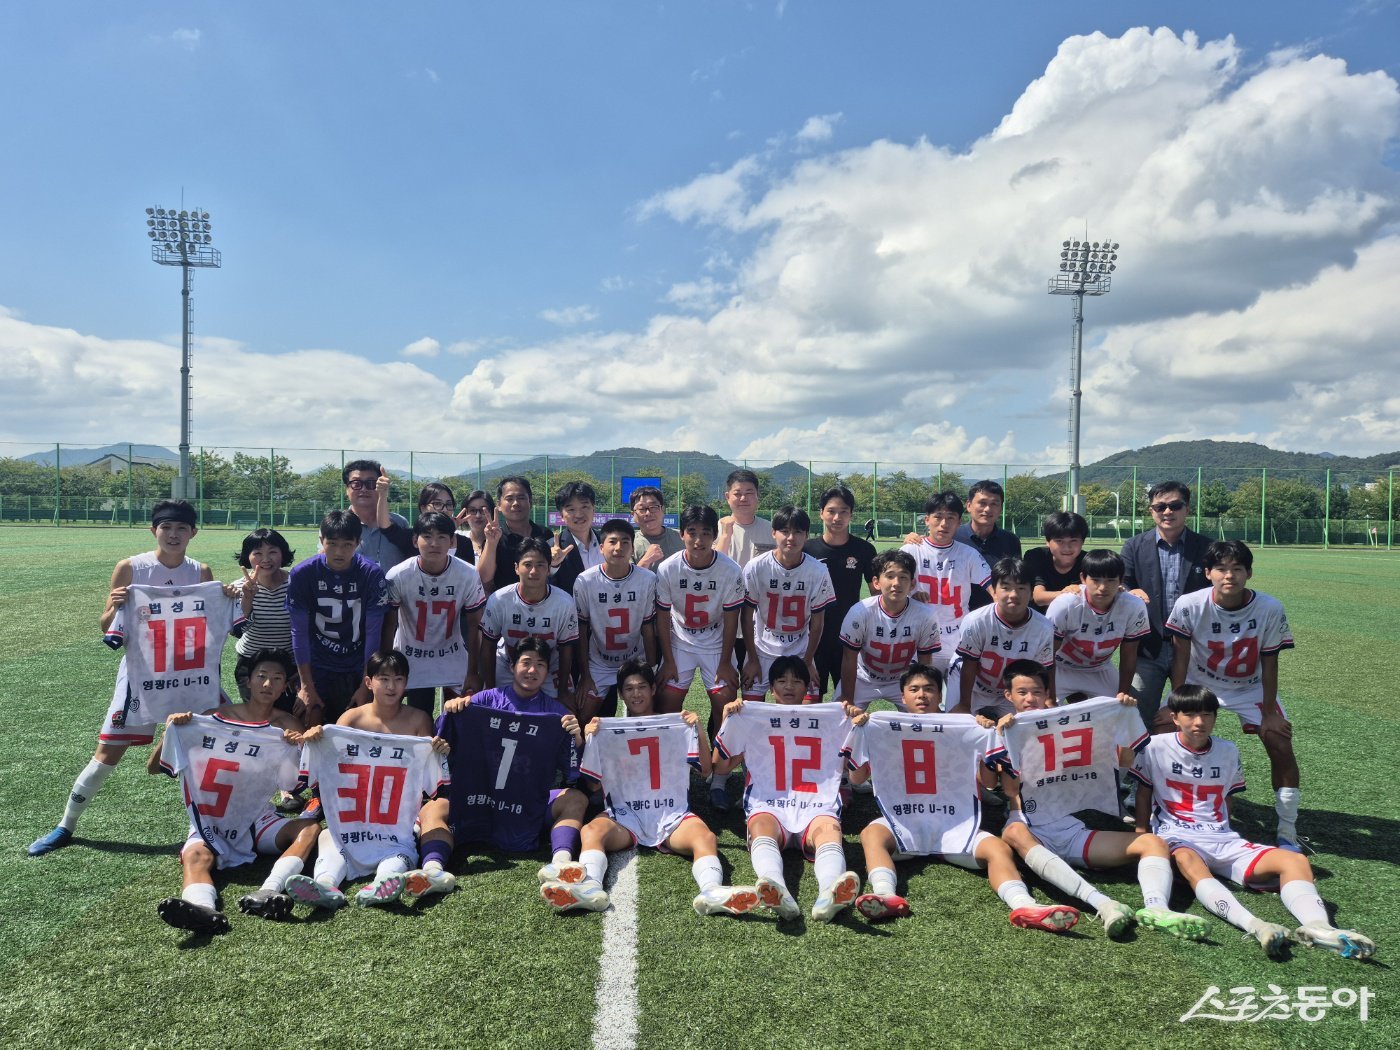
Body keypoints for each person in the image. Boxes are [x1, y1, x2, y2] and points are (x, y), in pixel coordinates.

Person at [29, 500, 223, 857]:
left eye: (182, 528)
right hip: (140, 675)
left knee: (203, 753)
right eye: (167, 528)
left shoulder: (201, 571)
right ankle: (65, 825)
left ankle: (204, 830)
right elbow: (106, 626)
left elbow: (209, 623)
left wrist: (227, 597)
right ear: (154, 531)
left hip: (187, 675)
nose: (174, 534)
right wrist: (116, 606)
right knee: (107, 752)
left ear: (193, 533)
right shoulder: (131, 567)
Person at [1130, 685, 1375, 960]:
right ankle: (1256, 926)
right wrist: (1142, 835)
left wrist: (1226, 832)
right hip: (1177, 835)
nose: (1199, 722)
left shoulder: (1228, 750)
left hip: (1223, 838)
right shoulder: (1154, 747)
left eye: (1207, 715)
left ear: (1215, 717)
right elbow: (1144, 791)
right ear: (1174, 717)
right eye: (1190, 714)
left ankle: (1318, 926)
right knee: (1190, 862)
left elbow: (1228, 799)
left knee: (1295, 862)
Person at [846, 663, 1081, 933]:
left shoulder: (966, 726)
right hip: (905, 821)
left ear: (940, 695)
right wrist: (860, 731)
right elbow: (856, 779)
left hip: (954, 822)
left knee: (998, 849)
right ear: (903, 696)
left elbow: (990, 783)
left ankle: (1024, 905)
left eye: (929, 689)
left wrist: (984, 736)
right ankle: (885, 895)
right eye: (914, 689)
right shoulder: (879, 724)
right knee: (872, 835)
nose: (922, 695)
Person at [988, 662, 1208, 941]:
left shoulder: (1069, 722)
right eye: (1022, 692)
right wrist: (1000, 734)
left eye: (1036, 692)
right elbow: (1005, 788)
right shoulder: (1005, 730)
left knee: (1153, 843)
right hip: (1029, 827)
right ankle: (1103, 904)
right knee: (1014, 830)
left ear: (1047, 693)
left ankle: (1157, 909)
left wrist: (1125, 714)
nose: (1030, 699)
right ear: (1008, 696)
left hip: (1069, 828)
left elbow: (1124, 761)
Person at [545, 661, 760, 916]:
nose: (636, 694)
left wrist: (698, 729)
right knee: (592, 831)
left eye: (642, 687)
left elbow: (704, 771)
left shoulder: (676, 725)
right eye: (629, 689)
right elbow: (592, 784)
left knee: (705, 837)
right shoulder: (606, 730)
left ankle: (711, 890)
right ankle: (590, 888)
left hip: (670, 812)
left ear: (653, 689)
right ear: (621, 694)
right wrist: (589, 740)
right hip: (625, 813)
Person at [148, 648, 320, 932]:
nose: (268, 684)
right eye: (262, 676)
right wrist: (169, 733)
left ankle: (269, 890)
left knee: (310, 829)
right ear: (248, 680)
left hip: (257, 819)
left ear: (284, 686)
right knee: (195, 856)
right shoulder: (212, 717)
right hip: (212, 819)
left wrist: (301, 746)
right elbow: (155, 768)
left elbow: (297, 782)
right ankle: (202, 909)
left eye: (277, 679)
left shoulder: (286, 726)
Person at [408, 639, 587, 905]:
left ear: (547, 672)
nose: (532, 670)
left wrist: (578, 739)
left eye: (540, 665)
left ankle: (560, 862)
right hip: (479, 799)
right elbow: (444, 744)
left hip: (527, 803)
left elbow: (572, 771)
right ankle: (433, 870)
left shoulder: (557, 713)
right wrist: (450, 712)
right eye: (526, 663)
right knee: (430, 809)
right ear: (512, 666)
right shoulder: (484, 700)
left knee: (576, 799)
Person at [285, 649, 451, 909]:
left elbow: (427, 772)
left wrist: (438, 749)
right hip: (356, 813)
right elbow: (331, 761)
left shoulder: (419, 719)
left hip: (396, 817)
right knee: (331, 839)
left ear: (406, 684)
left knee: (399, 852)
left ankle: (384, 883)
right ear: (368, 682)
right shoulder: (351, 718)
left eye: (398, 679)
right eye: (383, 679)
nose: (391, 686)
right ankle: (325, 885)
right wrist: (317, 737)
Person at [1163, 540, 1301, 849]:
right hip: (1201, 682)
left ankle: (1287, 830)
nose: (1230, 576)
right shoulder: (1190, 603)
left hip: (1248, 686)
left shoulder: (1269, 607)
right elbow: (1180, 657)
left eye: (1237, 569)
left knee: (1279, 741)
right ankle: (1166, 809)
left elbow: (1270, 661)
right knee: (1161, 728)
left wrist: (1268, 713)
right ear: (1208, 573)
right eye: (1222, 569)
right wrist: (1176, 702)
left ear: (1249, 573)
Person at [712, 658, 860, 922]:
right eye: (782, 681)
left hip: (816, 804)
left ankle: (829, 892)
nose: (789, 686)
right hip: (770, 804)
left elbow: (858, 775)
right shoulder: (753, 717)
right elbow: (721, 768)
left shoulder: (834, 718)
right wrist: (727, 721)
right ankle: (775, 887)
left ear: (808, 687)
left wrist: (856, 724)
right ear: (771, 688)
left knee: (829, 831)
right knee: (762, 827)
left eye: (796, 681)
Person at [1120, 481, 1210, 725]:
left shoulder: (1208, 547)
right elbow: (1121, 583)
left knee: (1192, 719)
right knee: (1136, 718)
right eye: (1160, 507)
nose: (1167, 512)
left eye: (1175, 505)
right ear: (1151, 511)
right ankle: (1139, 764)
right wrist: (1131, 591)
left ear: (1187, 509)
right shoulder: (1133, 546)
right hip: (1148, 647)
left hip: (1195, 649)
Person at [287, 510, 389, 726]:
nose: (339, 552)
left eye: (347, 545)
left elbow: (373, 633)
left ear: (358, 543)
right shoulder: (302, 574)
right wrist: (306, 686)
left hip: (356, 662)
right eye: (332, 543)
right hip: (319, 661)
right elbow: (299, 631)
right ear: (321, 540)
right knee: (309, 718)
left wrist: (365, 685)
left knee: (359, 724)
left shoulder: (371, 574)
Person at [653, 503, 745, 740]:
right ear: (682, 533)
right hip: (680, 639)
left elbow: (731, 619)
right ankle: (673, 760)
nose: (698, 540)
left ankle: (717, 765)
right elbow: (662, 618)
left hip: (715, 640)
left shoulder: (730, 570)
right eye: (692, 532)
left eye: (705, 533)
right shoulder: (668, 568)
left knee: (725, 704)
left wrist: (725, 661)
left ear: (715, 535)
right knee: (666, 704)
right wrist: (669, 660)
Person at [382, 511, 487, 716]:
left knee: (457, 722)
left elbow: (476, 625)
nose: (434, 543)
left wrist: (473, 671)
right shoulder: (399, 574)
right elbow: (389, 624)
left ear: (451, 542)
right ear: (415, 540)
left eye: (442, 537)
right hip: (412, 658)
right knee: (417, 721)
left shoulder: (467, 574)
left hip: (453, 656)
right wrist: (386, 666)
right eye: (427, 536)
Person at [739, 506, 835, 705]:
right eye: (785, 531)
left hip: (800, 650)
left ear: (807, 535)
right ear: (773, 533)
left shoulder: (818, 571)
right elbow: (746, 616)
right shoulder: (757, 567)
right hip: (762, 649)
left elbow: (818, 623)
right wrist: (752, 658)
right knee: (750, 711)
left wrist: (808, 662)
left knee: (809, 711)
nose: (791, 537)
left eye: (798, 532)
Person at [572, 518, 658, 724]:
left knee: (644, 716)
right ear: (601, 547)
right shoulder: (585, 581)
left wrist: (652, 668)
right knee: (583, 716)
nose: (619, 547)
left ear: (632, 547)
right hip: (599, 662)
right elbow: (581, 630)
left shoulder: (647, 579)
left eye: (625, 542)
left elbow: (648, 628)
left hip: (636, 659)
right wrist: (585, 675)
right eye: (612, 541)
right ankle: (581, 757)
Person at [833, 550, 941, 709]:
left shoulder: (925, 615)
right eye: (890, 576)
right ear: (876, 582)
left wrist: (923, 699)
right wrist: (848, 699)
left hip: (904, 678)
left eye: (903, 577)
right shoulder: (860, 612)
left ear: (912, 584)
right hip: (864, 677)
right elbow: (849, 659)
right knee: (839, 715)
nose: (896, 583)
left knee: (926, 719)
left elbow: (925, 663)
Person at [473, 537, 579, 700]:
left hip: (549, 664)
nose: (534, 571)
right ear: (516, 568)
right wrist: (491, 687)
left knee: (563, 712)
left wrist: (563, 690)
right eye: (527, 565)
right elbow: (488, 646)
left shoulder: (564, 602)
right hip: (508, 662)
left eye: (540, 565)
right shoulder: (499, 599)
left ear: (549, 568)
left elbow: (566, 649)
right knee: (497, 707)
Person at [948, 557, 1055, 716]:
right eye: (1006, 587)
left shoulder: (1044, 627)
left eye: (1021, 588)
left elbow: (1046, 668)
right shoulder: (976, 621)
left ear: (1031, 592)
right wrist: (964, 704)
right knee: (958, 726)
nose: (1013, 594)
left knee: (1027, 728)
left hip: (1011, 688)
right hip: (974, 683)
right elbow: (969, 664)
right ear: (995, 591)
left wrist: (1050, 700)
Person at [900, 491, 991, 672]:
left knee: (961, 697)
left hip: (958, 638)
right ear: (926, 520)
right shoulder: (910, 550)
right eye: (938, 517)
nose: (944, 523)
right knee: (922, 696)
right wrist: (909, 597)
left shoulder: (968, 554)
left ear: (959, 522)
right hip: (918, 635)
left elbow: (994, 589)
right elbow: (891, 590)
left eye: (950, 517)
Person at [1046, 549, 1149, 700]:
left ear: (1121, 580)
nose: (1102, 587)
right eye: (1096, 580)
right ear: (1083, 578)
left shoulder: (1133, 606)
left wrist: (1123, 694)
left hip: (1099, 669)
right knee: (1039, 712)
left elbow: (1129, 656)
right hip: (1061, 668)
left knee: (1121, 712)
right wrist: (1049, 699)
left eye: (1110, 580)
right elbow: (1048, 654)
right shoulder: (1065, 604)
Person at [804, 484, 877, 696]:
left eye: (843, 511)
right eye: (831, 511)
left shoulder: (864, 550)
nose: (837, 517)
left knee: (846, 703)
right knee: (809, 703)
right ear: (821, 513)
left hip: (849, 636)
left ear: (851, 515)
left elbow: (877, 592)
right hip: (812, 636)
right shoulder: (808, 549)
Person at [231, 528, 297, 712]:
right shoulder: (238, 588)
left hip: (288, 663)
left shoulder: (296, 583)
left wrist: (300, 669)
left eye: (272, 552)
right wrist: (247, 598)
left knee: (286, 714)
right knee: (256, 714)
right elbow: (238, 631)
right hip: (250, 662)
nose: (265, 559)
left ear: (282, 554)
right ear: (248, 557)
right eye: (258, 553)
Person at [342, 459, 412, 570]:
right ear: (346, 489)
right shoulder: (337, 524)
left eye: (371, 483)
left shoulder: (399, 522)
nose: (364, 489)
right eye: (356, 483)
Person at [492, 475, 554, 591]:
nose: (515, 503)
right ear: (499, 505)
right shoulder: (495, 538)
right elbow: (484, 578)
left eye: (521, 497)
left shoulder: (545, 535)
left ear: (530, 501)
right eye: (509, 498)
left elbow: (551, 574)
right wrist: (491, 542)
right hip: (505, 605)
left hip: (541, 603)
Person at [1023, 511, 1088, 613]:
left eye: (1073, 541)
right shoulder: (1036, 556)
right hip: (1039, 620)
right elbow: (1039, 597)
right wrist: (1066, 594)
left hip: (1075, 621)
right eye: (1059, 541)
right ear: (1047, 541)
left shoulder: (1089, 562)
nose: (1067, 547)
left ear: (1082, 541)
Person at [549, 480, 604, 597]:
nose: (579, 514)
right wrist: (553, 566)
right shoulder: (551, 548)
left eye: (585, 506)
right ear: (561, 515)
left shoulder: (608, 542)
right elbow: (543, 588)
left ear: (593, 509)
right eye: (571, 509)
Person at [954, 479, 1022, 566]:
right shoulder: (954, 537)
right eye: (982, 503)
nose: (987, 509)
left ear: (1001, 508)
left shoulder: (1011, 541)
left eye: (994, 504)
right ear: (969, 505)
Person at [454, 488, 501, 590]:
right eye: (472, 511)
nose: (478, 515)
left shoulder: (501, 539)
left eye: (483, 510)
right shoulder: (457, 539)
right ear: (465, 513)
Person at [629, 485, 683, 569]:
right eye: (642, 509)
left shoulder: (682, 538)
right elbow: (627, 581)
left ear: (663, 510)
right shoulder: (627, 544)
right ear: (633, 515)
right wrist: (646, 561)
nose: (648, 513)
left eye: (653, 507)